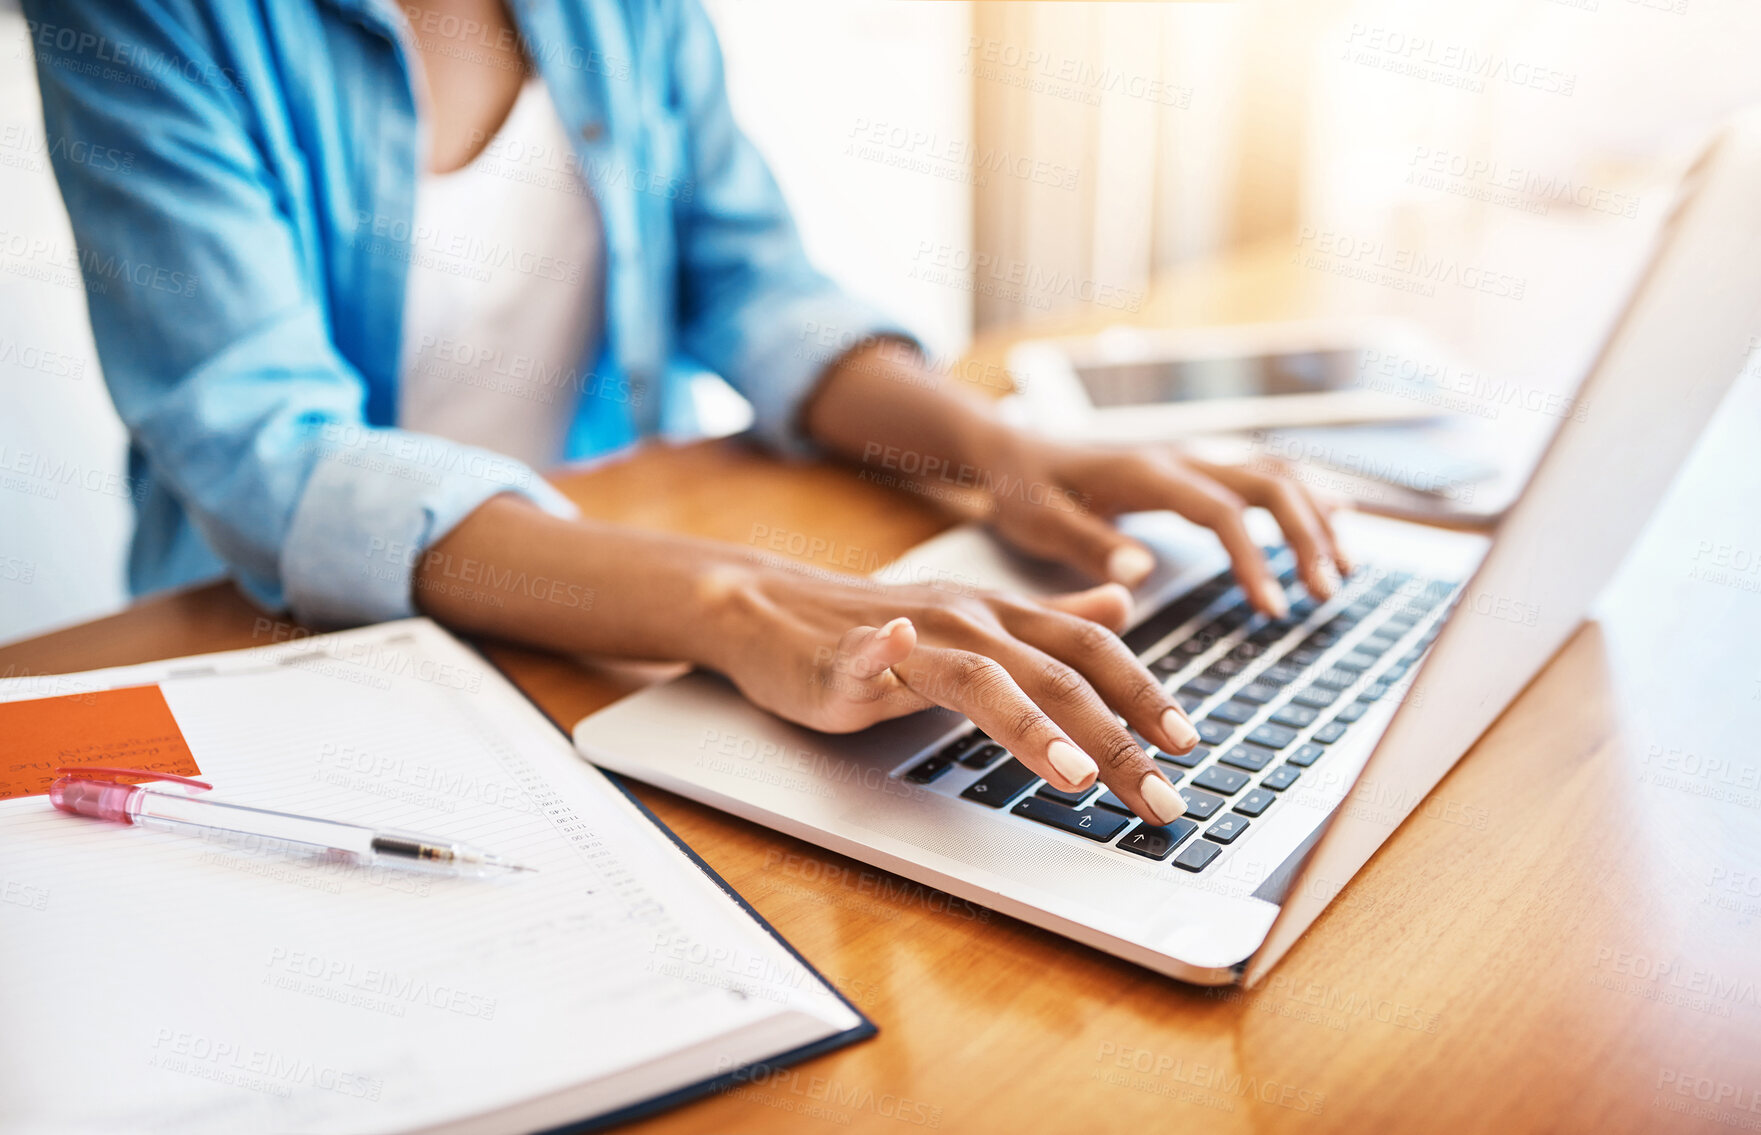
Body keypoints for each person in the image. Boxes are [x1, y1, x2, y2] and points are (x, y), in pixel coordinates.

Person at [25, 0, 1348, 829]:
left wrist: (999, 453)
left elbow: (751, 280)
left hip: (597, 602)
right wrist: (734, 606)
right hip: (280, 638)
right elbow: (265, 447)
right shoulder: (142, 18)